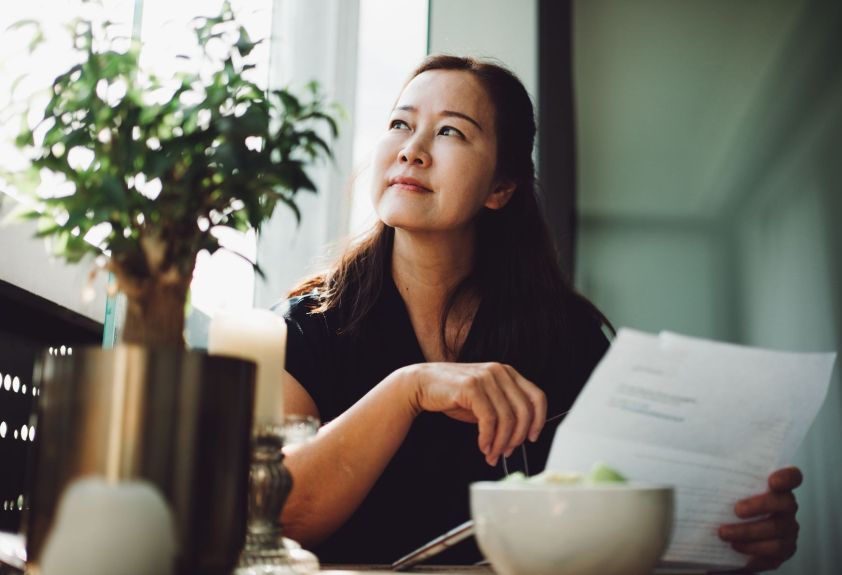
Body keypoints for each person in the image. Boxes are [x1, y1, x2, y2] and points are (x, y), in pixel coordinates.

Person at [277, 55, 802, 571]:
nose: (412, 150)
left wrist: (728, 532)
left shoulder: (569, 337)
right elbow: (279, 515)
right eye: (400, 124)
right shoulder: (305, 328)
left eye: (451, 133)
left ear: (501, 187)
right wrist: (409, 390)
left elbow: (614, 532)